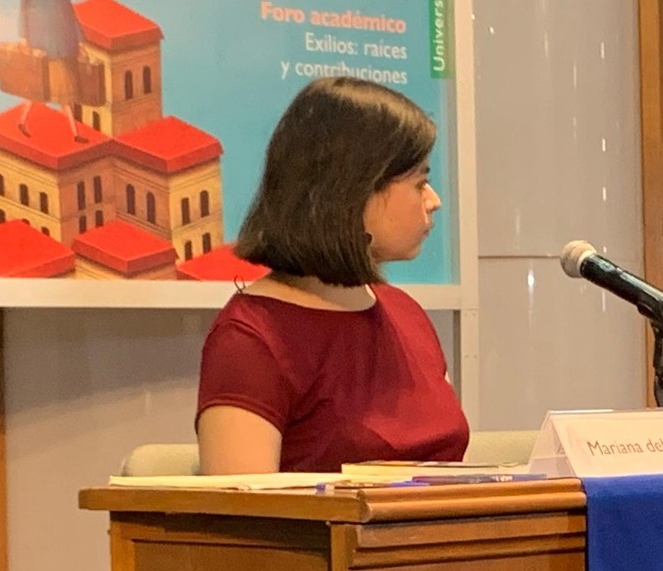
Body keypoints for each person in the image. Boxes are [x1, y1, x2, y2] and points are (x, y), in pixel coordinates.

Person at [197, 78, 468, 474]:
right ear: (354, 189)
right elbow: (241, 508)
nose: (434, 201)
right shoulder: (250, 338)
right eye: (420, 183)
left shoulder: (406, 313)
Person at [16, 0, 88, 141]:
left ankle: (75, 133)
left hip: (61, 49)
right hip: (43, 49)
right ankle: (75, 133)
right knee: (54, 91)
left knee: (59, 92)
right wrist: (24, 38)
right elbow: (23, 14)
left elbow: (71, 16)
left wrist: (79, 42)